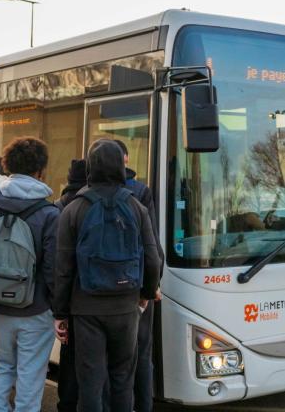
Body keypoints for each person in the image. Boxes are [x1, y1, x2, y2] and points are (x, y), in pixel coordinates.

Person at [53, 139, 161, 412]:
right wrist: (146, 294)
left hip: (85, 308)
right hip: (126, 307)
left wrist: (61, 313)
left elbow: (63, 269)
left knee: (90, 382)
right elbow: (153, 258)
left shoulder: (73, 209)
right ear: (120, 165)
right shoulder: (137, 207)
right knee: (123, 379)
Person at [0, 138, 60, 412]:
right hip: (35, 309)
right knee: (30, 376)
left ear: (7, 167)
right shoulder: (49, 214)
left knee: (0, 367)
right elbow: (53, 269)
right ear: (40, 171)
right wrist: (56, 308)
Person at [115, 140, 162, 412]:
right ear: (126, 159)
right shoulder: (139, 192)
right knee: (141, 357)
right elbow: (152, 249)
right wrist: (149, 290)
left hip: (98, 295)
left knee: (108, 363)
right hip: (136, 288)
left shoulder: (82, 197)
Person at [54, 159, 88, 412]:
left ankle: (66, 404)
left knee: (68, 357)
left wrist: (59, 311)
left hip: (68, 295)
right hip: (92, 296)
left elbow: (59, 265)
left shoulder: (58, 208)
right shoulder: (90, 206)